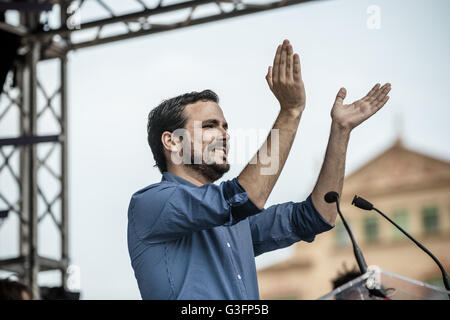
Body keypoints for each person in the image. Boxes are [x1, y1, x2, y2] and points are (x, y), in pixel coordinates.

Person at [127, 39, 392, 299]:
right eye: (209, 126)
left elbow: (316, 216)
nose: (224, 135)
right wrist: (290, 111)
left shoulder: (236, 221)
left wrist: (341, 130)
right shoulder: (150, 203)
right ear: (172, 141)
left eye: (225, 127)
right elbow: (244, 197)